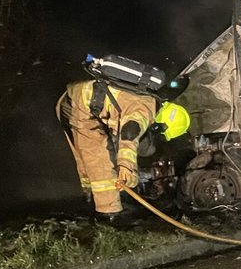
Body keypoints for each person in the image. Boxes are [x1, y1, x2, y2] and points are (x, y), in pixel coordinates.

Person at [58, 77, 190, 222]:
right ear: (161, 126)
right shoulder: (146, 109)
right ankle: (110, 216)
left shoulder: (148, 98)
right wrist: (127, 168)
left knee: (87, 159)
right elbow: (129, 134)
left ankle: (86, 201)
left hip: (78, 96)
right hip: (83, 106)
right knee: (101, 164)